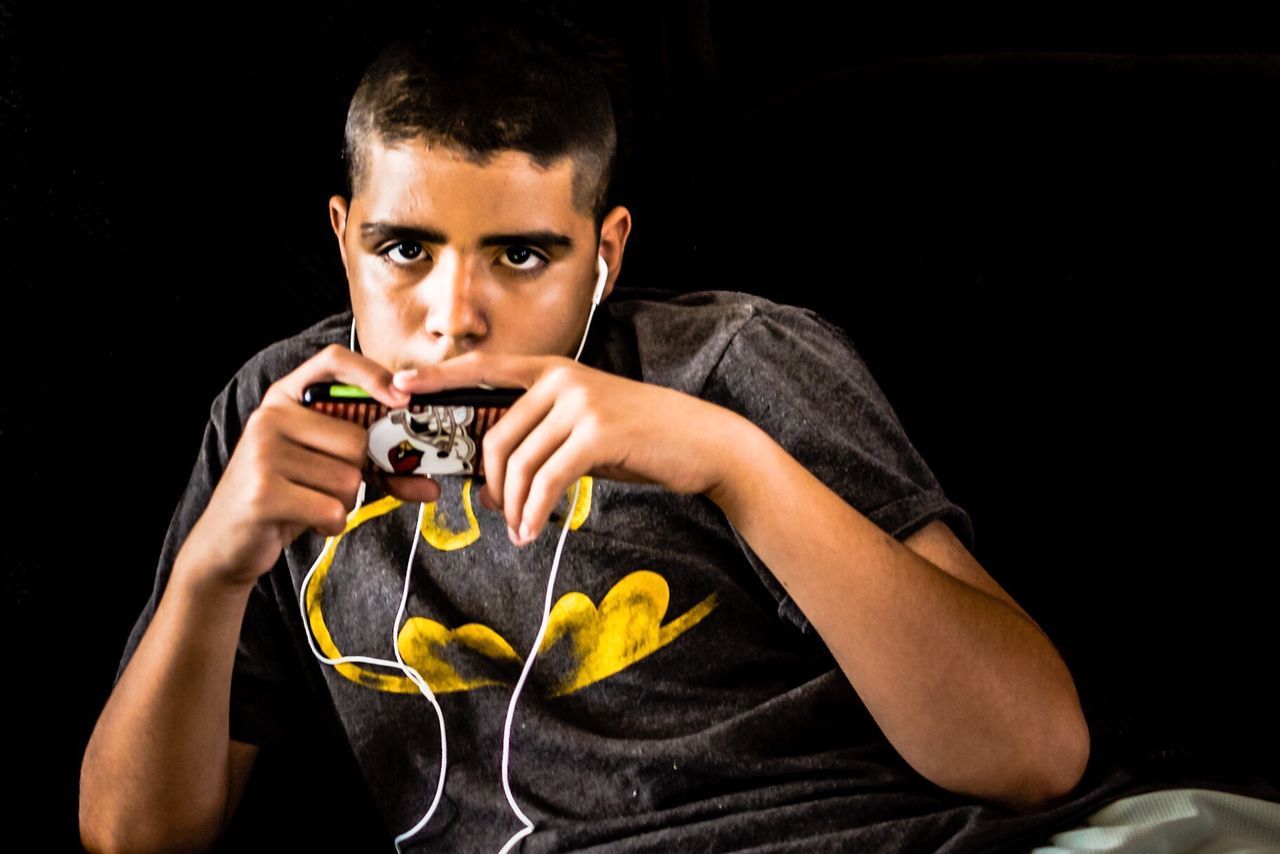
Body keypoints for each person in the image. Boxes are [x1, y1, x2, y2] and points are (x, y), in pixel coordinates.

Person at [79, 3, 1091, 851]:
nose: (453, 312)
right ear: (343, 238)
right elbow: (130, 833)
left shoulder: (730, 360)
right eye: (403, 249)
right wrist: (212, 567)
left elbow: (1031, 753)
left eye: (520, 255)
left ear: (603, 252)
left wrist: (733, 464)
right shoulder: (282, 409)